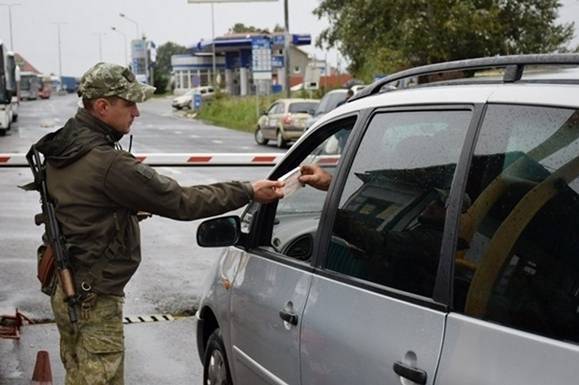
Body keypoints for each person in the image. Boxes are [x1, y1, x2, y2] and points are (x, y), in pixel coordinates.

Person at [31, 62, 284, 385]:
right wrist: (247, 190)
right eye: (129, 103)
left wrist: (122, 213)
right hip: (93, 295)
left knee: (79, 373)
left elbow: (78, 205)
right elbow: (182, 201)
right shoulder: (107, 162)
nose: (136, 111)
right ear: (102, 106)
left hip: (64, 286)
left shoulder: (63, 145)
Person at [299, 164, 470, 296]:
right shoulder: (427, 233)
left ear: (455, 216)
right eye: (435, 199)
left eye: (441, 204)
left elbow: (379, 243)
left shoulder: (430, 240)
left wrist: (333, 198)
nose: (432, 204)